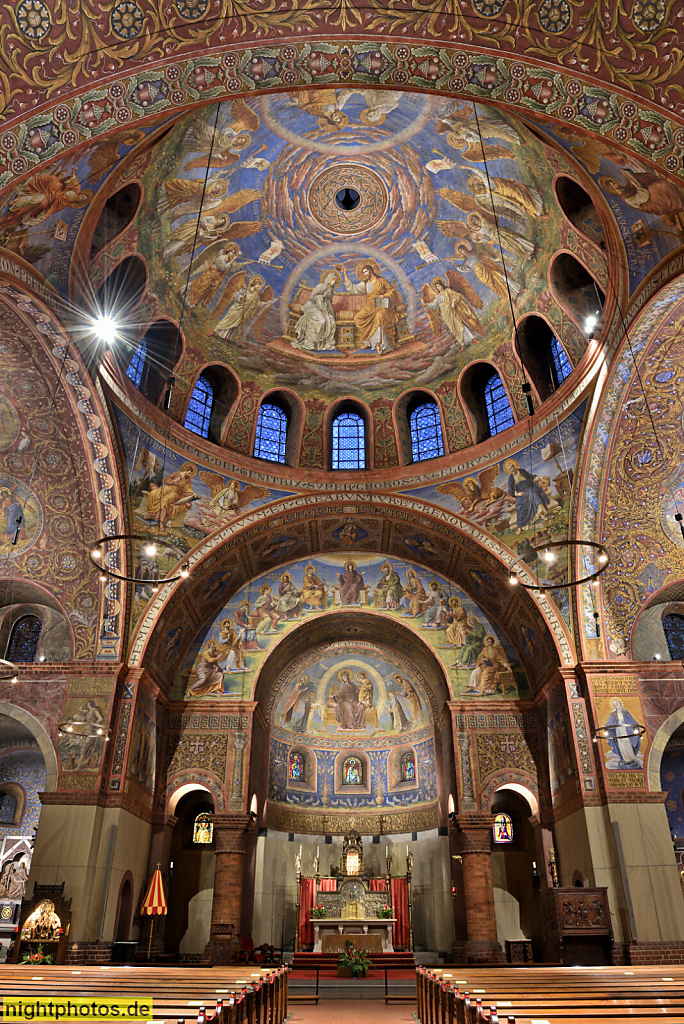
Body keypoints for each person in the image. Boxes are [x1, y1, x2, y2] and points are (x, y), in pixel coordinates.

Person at [338, 261, 398, 353]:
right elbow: (353, 288)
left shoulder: (381, 280)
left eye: (366, 271)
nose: (365, 274)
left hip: (381, 306)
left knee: (379, 316)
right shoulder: (365, 284)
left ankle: (379, 344)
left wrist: (385, 295)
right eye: (364, 272)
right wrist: (345, 274)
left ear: (371, 271)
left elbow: (392, 290)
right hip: (369, 307)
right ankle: (368, 342)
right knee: (358, 318)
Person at [503, 458, 551, 535]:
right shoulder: (511, 478)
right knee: (519, 505)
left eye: (512, 467)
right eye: (509, 469)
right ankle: (521, 526)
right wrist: (518, 494)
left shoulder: (522, 471)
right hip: (521, 494)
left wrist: (539, 478)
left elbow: (531, 477)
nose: (511, 469)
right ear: (508, 470)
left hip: (528, 489)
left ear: (514, 466)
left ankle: (540, 514)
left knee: (534, 494)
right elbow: (512, 491)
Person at [142, 463, 198, 528]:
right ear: (186, 470)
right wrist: (174, 481)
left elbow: (188, 489)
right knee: (153, 493)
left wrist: (193, 493)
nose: (189, 475)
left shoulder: (187, 480)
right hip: (167, 489)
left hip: (175, 493)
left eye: (190, 474)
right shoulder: (177, 473)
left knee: (166, 500)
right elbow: (166, 480)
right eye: (189, 473)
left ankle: (161, 521)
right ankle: (152, 514)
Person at [292, 273, 338, 351]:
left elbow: (329, 302)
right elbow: (312, 297)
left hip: (323, 307)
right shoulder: (321, 286)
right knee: (321, 321)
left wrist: (329, 310)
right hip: (313, 307)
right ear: (329, 279)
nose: (334, 282)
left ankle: (327, 344)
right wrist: (322, 297)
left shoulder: (330, 290)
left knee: (331, 321)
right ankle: (311, 342)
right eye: (333, 279)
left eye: (335, 280)